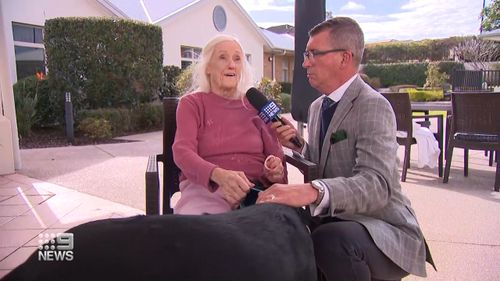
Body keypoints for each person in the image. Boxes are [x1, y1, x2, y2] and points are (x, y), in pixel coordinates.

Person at [257, 17, 435, 280]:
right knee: (283, 227)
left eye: (313, 54)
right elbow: (324, 165)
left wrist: (310, 190)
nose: (305, 62)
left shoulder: (373, 105)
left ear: (344, 58)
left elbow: (378, 184)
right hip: (337, 219)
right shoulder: (318, 107)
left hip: (383, 228)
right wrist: (300, 145)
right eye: (306, 54)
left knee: (331, 240)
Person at [172, 34, 287, 215]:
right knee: (205, 233)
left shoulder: (256, 105)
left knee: (281, 232)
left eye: (237, 59)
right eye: (222, 57)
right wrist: (219, 175)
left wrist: (275, 170)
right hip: (207, 189)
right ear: (208, 67)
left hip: (256, 191)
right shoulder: (192, 104)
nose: (231, 64)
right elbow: (182, 151)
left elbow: (276, 154)